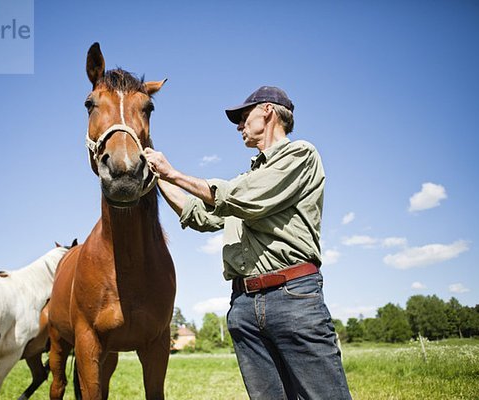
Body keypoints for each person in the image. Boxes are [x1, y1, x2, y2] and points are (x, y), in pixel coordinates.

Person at [143, 86, 352, 399]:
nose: (239, 125)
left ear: (267, 110)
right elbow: (199, 214)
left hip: (292, 298)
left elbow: (241, 199)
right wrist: (157, 176)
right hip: (243, 306)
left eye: (243, 116)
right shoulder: (249, 177)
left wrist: (172, 172)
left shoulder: (300, 155)